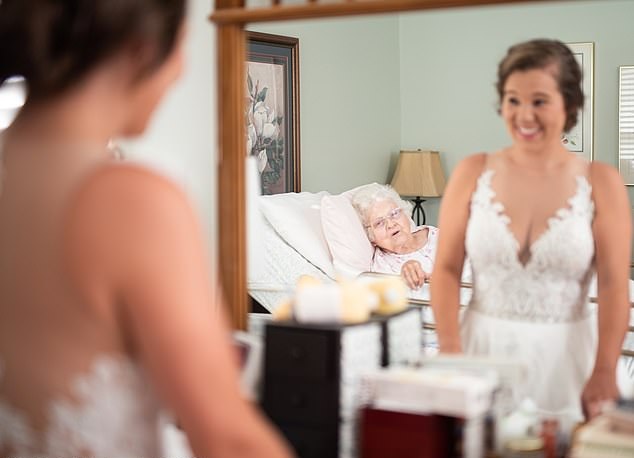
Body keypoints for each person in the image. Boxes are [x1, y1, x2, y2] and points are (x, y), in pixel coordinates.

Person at [0, 1, 293, 457]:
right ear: (140, 50)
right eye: (182, 48)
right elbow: (228, 439)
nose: (181, 71)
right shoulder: (130, 201)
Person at [431, 39, 631, 422]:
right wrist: (450, 348)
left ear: (569, 103)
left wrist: (605, 369)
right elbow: (446, 269)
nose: (524, 115)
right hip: (479, 351)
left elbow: (613, 286)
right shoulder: (471, 172)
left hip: (568, 361)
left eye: (539, 101)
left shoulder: (601, 181)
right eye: (513, 100)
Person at [352, 183, 439, 290]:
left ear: (406, 214)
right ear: (371, 237)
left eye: (394, 214)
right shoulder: (382, 269)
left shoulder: (434, 233)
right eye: (379, 223)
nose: (391, 224)